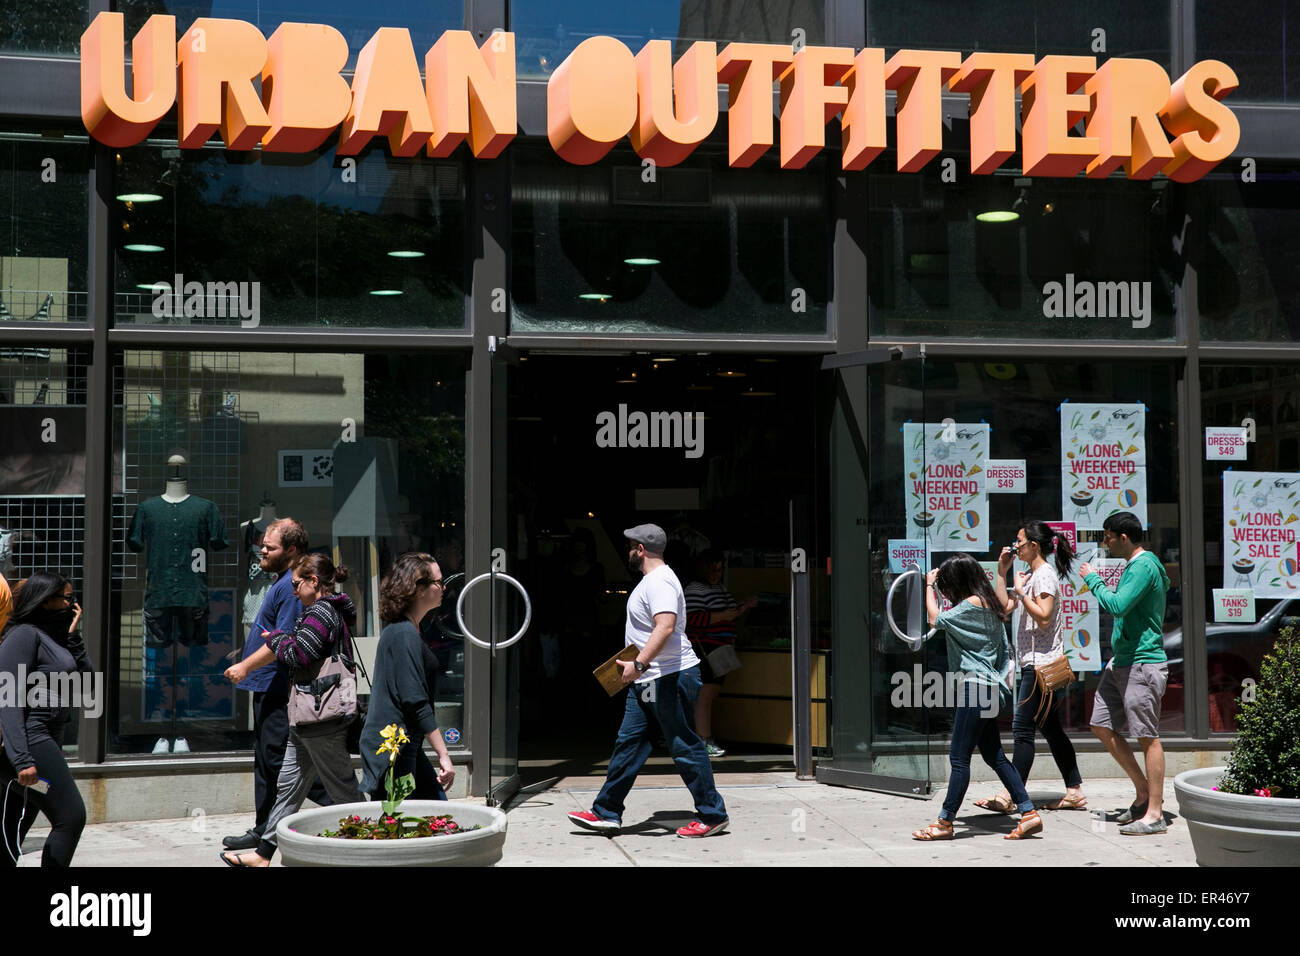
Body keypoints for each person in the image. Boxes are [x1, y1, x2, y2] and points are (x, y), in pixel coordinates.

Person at [567, 523, 730, 838]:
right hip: (651, 679)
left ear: (640, 549)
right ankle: (606, 812)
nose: (628, 551)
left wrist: (639, 664)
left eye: (630, 546)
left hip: (668, 677)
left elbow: (666, 626)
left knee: (684, 745)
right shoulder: (653, 580)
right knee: (629, 743)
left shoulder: (659, 582)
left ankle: (713, 815)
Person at [220, 554, 363, 866]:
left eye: (298, 585)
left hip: (320, 716)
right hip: (307, 717)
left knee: (344, 792)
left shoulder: (321, 612)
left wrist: (278, 638)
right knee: (288, 788)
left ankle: (370, 852)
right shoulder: (323, 610)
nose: (294, 591)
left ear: (314, 582)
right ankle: (263, 854)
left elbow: (301, 653)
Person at [911, 554, 1042, 841]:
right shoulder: (992, 607)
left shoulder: (970, 604)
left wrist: (929, 587)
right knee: (994, 755)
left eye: (946, 584)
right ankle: (1028, 811)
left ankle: (945, 822)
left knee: (958, 758)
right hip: (991, 689)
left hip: (975, 689)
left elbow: (935, 619)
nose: (945, 590)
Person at [220, 518, 331, 852]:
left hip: (278, 685)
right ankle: (262, 828)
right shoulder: (282, 582)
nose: (262, 551)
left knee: (279, 759)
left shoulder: (291, 587)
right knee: (266, 760)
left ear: (292, 550)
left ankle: (346, 802)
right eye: (262, 545)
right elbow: (271, 632)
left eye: (270, 547)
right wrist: (247, 648)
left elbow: (285, 640)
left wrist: (243, 665)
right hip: (265, 684)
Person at [975, 521, 1087, 813]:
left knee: (1022, 730)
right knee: (1050, 729)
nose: (1016, 546)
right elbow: (1002, 608)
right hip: (1032, 663)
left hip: (1040, 666)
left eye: (1019, 542)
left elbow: (1045, 617)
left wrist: (1022, 592)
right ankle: (1074, 790)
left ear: (1034, 546)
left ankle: (1011, 794)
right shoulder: (1032, 576)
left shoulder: (1044, 576)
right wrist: (1002, 572)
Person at [1079, 511, 1171, 836]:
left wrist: (1092, 579)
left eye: (1107, 536)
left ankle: (1155, 814)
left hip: (1142, 663)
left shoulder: (1144, 565)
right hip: (1122, 661)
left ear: (1123, 537)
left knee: (1148, 736)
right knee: (1100, 724)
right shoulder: (1136, 566)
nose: (1104, 542)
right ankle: (1144, 793)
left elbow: (1117, 605)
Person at [1, 572, 91, 867]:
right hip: (32, 741)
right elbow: (9, 699)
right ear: (46, 601)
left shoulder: (55, 639)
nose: (73, 604)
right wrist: (22, 758)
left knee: (16, 823)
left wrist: (74, 639)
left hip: (46, 740)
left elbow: (89, 687)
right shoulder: (24, 636)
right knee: (70, 816)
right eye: (67, 598)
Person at [358, 552, 456, 801]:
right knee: (399, 826)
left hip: (404, 743)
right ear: (419, 589)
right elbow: (414, 700)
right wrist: (444, 754)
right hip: (394, 748)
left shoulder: (409, 629)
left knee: (435, 814)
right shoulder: (403, 634)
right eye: (438, 582)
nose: (443, 587)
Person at [684, 548, 756, 758]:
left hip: (719, 649)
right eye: (712, 569)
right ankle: (703, 740)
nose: (716, 574)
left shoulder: (719, 588)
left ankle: (702, 739)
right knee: (705, 696)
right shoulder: (695, 589)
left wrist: (743, 608)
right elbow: (691, 619)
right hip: (705, 649)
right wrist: (725, 615)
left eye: (719, 569)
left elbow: (729, 615)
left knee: (709, 695)